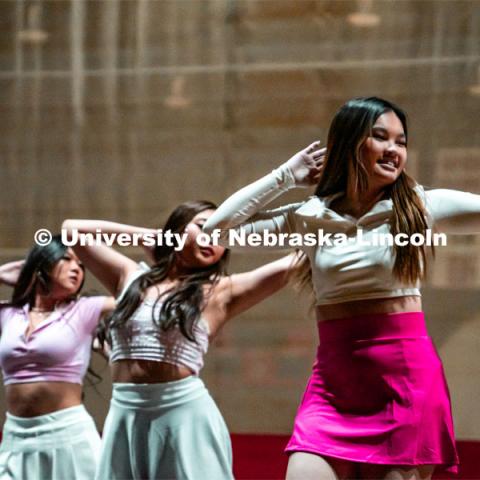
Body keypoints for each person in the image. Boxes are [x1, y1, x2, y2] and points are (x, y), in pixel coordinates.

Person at [203, 97, 480, 479]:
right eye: (380, 137)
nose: (393, 150)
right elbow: (216, 232)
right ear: (350, 144)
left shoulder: (422, 206)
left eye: (401, 142)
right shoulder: (310, 216)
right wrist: (285, 175)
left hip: (404, 387)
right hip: (333, 387)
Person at [62, 200, 299, 480]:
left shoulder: (222, 291)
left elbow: (298, 258)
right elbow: (72, 230)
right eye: (204, 227)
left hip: (183, 415)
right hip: (125, 413)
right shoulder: (130, 276)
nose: (214, 237)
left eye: (224, 234)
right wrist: (152, 237)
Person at [0, 236, 115, 480]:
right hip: (16, 440)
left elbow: (138, 295)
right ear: (43, 263)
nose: (77, 268)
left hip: (68, 436)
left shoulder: (85, 309)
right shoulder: (9, 313)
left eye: (81, 265)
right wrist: (21, 273)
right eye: (66, 259)